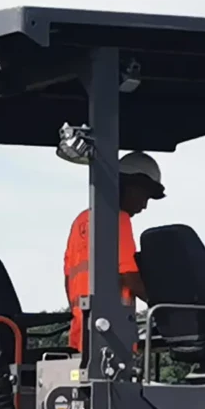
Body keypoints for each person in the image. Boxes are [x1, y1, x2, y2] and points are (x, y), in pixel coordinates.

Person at [63, 149, 164, 355]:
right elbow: (129, 276)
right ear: (130, 185)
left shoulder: (81, 221)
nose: (144, 206)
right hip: (111, 335)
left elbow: (68, 279)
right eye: (144, 196)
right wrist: (164, 305)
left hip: (81, 334)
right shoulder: (117, 219)